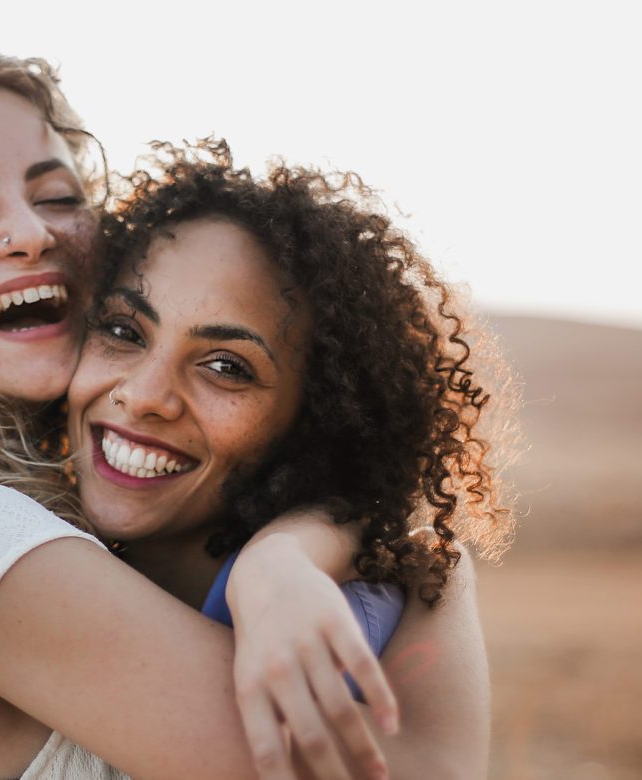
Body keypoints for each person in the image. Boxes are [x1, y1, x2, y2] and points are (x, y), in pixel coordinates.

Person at [0, 47, 513, 780]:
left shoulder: (25, 538)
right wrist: (427, 560)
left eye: (57, 197)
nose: (30, 232)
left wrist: (294, 548)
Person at [64, 139, 517, 775]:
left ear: (316, 422)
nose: (142, 397)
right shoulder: (14, 527)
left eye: (226, 367)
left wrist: (280, 562)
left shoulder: (334, 628)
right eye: (123, 330)